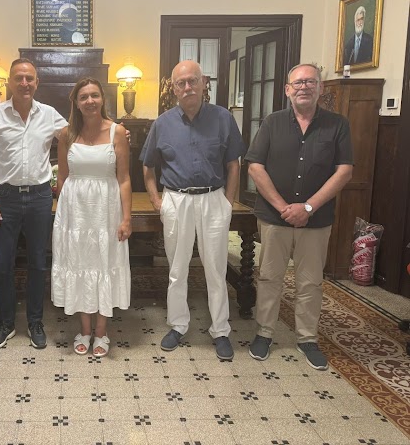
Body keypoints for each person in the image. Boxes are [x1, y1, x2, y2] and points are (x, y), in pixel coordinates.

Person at [245, 63, 353, 370]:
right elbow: (255, 166)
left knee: (310, 281)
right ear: (287, 89)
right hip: (274, 217)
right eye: (298, 82)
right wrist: (283, 207)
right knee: (269, 277)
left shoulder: (337, 125)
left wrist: (307, 207)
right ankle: (264, 333)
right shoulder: (272, 123)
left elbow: (344, 171)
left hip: (316, 220)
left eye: (310, 82)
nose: (304, 87)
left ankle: (307, 339)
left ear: (320, 88)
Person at [140, 60, 246, 361]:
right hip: (176, 200)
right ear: (173, 88)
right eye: (181, 83)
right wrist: (157, 202)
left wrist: (227, 202)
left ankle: (220, 330)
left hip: (213, 199)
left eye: (193, 81)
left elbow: (233, 164)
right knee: (177, 269)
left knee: (216, 268)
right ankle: (178, 325)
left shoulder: (223, 118)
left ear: (204, 83)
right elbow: (147, 166)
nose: (187, 87)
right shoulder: (162, 124)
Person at [0, 58, 68, 351]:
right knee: (2, 263)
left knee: (38, 262)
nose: (25, 83)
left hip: (40, 197)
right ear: (9, 82)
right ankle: (5, 323)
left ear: (37, 83)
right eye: (19, 78)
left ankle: (35, 321)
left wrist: (113, 133)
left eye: (30, 78)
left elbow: (77, 136)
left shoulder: (49, 114)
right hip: (5, 198)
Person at [51, 78, 132, 357]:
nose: (90, 101)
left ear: (102, 99)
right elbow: (62, 177)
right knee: (80, 264)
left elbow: (124, 178)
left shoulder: (117, 132)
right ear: (76, 102)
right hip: (75, 213)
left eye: (94, 95)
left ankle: (101, 332)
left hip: (106, 210)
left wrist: (127, 218)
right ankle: (84, 330)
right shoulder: (66, 134)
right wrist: (62, 217)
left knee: (104, 264)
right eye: (83, 97)